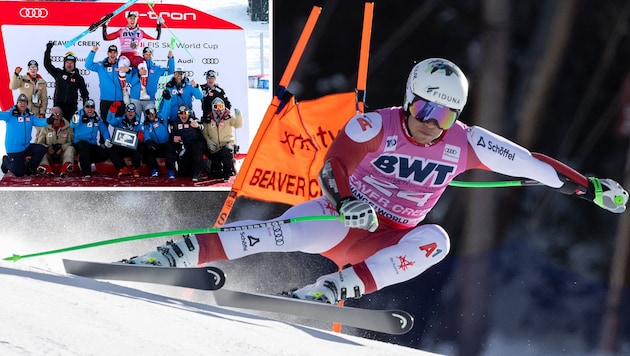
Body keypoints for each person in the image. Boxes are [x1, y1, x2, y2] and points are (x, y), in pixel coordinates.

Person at [124, 58, 628, 305]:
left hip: (391, 239)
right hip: (343, 219)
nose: (432, 121)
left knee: (438, 240)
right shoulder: (374, 126)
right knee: (291, 231)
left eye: (445, 112)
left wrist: (589, 187)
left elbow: (533, 166)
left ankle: (334, 290)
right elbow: (330, 168)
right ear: (409, 100)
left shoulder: (467, 142)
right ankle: (177, 252)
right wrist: (345, 201)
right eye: (425, 107)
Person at [102, 10, 162, 103]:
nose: (132, 20)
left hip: (135, 55)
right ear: (127, 19)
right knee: (121, 67)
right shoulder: (121, 31)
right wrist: (105, 25)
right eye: (130, 18)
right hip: (125, 55)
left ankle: (143, 91)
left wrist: (159, 24)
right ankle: (125, 92)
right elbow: (106, 37)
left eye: (134, 18)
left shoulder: (141, 32)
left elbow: (156, 37)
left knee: (144, 67)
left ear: (137, 19)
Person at [0, 94, 48, 177]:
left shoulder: (29, 115)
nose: (23, 104)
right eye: (21, 102)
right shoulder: (10, 114)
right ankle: (6, 160)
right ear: (17, 103)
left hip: (26, 146)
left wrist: (49, 121)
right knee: (19, 173)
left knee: (41, 149)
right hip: (14, 149)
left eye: (25, 102)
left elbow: (39, 122)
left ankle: (30, 169)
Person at [44, 42, 90, 121]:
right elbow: (47, 64)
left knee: (70, 130)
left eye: (71, 63)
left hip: (71, 108)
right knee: (57, 129)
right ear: (64, 63)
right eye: (67, 62)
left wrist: (85, 110)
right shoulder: (58, 73)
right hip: (58, 106)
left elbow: (84, 94)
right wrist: (48, 49)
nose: (69, 64)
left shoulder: (78, 78)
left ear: (74, 64)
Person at [201, 97, 242, 182]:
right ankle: (212, 165)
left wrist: (239, 116)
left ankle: (229, 171)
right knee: (216, 174)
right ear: (213, 107)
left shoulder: (228, 117)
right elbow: (204, 133)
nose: (218, 109)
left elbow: (238, 125)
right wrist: (209, 142)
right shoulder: (208, 119)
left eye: (220, 106)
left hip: (227, 144)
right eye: (216, 106)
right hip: (215, 147)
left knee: (226, 151)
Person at [127, 47, 175, 118]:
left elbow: (170, 71)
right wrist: (139, 74)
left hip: (149, 100)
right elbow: (131, 82)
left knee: (150, 121)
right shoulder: (136, 67)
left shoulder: (157, 68)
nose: (148, 56)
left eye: (150, 54)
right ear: (143, 55)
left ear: (153, 56)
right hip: (135, 99)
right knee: (135, 121)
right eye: (146, 54)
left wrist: (171, 58)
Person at [71, 99, 112, 178]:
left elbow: (104, 129)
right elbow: (73, 125)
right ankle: (86, 172)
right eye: (87, 107)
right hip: (80, 142)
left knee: (104, 154)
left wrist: (107, 139)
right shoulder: (79, 115)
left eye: (92, 107)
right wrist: (74, 121)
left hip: (92, 144)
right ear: (84, 108)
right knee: (85, 147)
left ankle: (83, 158)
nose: (90, 109)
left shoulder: (97, 118)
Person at [85, 44, 125, 124]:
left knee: (120, 125)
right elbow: (88, 65)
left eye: (114, 52)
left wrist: (127, 70)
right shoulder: (101, 65)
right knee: (104, 124)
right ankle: (104, 137)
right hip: (105, 100)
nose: (112, 54)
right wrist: (93, 52)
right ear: (107, 53)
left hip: (119, 100)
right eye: (110, 52)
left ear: (117, 54)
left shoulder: (121, 65)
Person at [35, 106, 76, 177]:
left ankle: (66, 168)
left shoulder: (68, 127)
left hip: (62, 155)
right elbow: (40, 143)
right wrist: (48, 148)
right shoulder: (45, 127)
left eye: (58, 114)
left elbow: (71, 142)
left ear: (61, 115)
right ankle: (45, 168)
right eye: (53, 114)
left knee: (70, 149)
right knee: (40, 150)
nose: (56, 117)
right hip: (49, 154)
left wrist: (62, 148)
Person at [169, 104, 206, 181]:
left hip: (197, 146)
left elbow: (202, 126)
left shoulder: (193, 120)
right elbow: (172, 137)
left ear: (188, 113)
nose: (183, 115)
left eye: (185, 113)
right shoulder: (175, 123)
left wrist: (198, 126)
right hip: (186, 148)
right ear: (178, 114)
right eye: (181, 113)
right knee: (184, 173)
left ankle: (198, 172)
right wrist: (174, 138)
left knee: (197, 146)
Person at [106, 102, 144, 177]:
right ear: (125, 112)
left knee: (140, 145)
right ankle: (122, 168)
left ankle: (135, 168)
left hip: (132, 149)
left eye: (132, 111)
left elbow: (143, 134)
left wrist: (141, 136)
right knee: (110, 147)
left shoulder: (139, 123)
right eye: (128, 111)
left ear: (135, 112)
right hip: (121, 147)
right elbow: (110, 120)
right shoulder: (119, 120)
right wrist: (112, 110)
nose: (130, 113)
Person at [141, 104, 176, 178]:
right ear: (146, 114)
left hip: (165, 144)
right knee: (147, 149)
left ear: (155, 112)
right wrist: (148, 142)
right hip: (156, 146)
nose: (151, 114)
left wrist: (167, 99)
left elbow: (166, 108)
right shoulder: (146, 125)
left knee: (170, 147)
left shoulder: (162, 119)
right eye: (148, 112)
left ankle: (170, 170)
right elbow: (146, 135)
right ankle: (154, 169)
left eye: (152, 111)